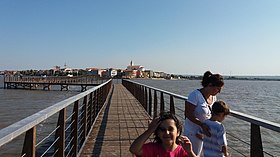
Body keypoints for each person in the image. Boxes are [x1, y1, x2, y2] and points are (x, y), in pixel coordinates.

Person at [184, 71, 224, 156]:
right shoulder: (195, 95)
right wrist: (201, 124)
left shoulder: (213, 97)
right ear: (210, 85)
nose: (219, 91)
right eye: (218, 88)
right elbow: (188, 114)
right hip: (192, 132)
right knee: (191, 154)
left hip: (204, 133)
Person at [130, 111, 197, 157]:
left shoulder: (182, 151)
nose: (167, 133)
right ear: (158, 133)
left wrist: (190, 152)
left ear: (178, 132)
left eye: (170, 129)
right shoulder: (152, 148)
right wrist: (149, 130)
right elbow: (134, 149)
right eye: (162, 130)